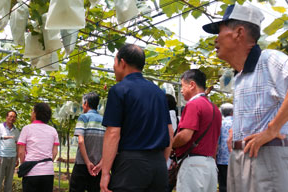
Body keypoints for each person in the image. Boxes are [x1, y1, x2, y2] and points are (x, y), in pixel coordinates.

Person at [202, 3, 288, 191]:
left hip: (266, 156)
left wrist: (272, 130)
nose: (216, 40)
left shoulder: (269, 59)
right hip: (241, 158)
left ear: (239, 32)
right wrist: (236, 130)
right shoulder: (240, 76)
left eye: (219, 31)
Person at [100, 44, 173, 192]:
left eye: (114, 62)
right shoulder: (158, 93)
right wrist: (160, 163)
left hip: (131, 166)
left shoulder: (119, 90)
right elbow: (169, 132)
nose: (113, 66)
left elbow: (113, 133)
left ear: (122, 62)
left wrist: (105, 173)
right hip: (158, 165)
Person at [172, 69, 222, 192]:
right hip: (210, 166)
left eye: (183, 86)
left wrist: (170, 144)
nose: (182, 91)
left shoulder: (194, 104)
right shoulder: (215, 108)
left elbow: (185, 136)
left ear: (192, 85)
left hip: (194, 165)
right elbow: (215, 144)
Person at [17, 103, 59, 192]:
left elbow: (21, 151)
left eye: (32, 111)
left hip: (31, 172)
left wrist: (24, 164)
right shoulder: (53, 130)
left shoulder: (27, 129)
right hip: (48, 172)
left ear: (35, 113)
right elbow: (55, 152)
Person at [69, 92, 105, 192]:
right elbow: (108, 144)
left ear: (86, 103)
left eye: (82, 103)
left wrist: (87, 162)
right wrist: (101, 164)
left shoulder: (83, 118)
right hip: (98, 167)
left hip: (82, 164)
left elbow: (81, 141)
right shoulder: (104, 120)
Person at [0, 110, 20, 192]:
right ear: (6, 117)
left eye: (14, 117)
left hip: (12, 157)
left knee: (9, 179)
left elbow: (17, 145)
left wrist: (17, 158)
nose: (12, 118)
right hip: (2, 156)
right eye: (10, 116)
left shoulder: (16, 131)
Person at [216, 103, 233, 192]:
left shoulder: (220, 124)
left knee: (223, 185)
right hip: (235, 158)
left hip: (221, 160)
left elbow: (217, 142)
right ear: (232, 112)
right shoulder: (237, 123)